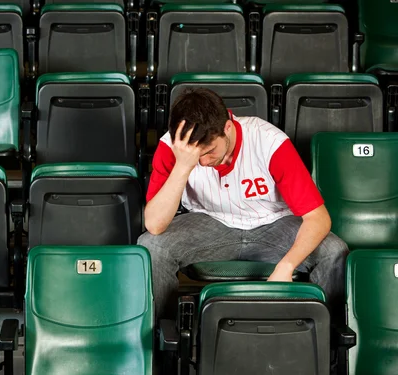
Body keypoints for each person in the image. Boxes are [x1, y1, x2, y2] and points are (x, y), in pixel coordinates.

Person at [138, 88, 348, 321]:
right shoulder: (171, 148)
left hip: (274, 222)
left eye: (209, 152)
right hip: (209, 223)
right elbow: (155, 226)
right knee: (152, 247)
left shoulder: (269, 141)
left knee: (333, 251)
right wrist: (183, 165)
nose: (204, 162)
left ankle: (323, 340)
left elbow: (318, 218)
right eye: (197, 156)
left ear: (227, 126)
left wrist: (286, 266)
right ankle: (164, 342)